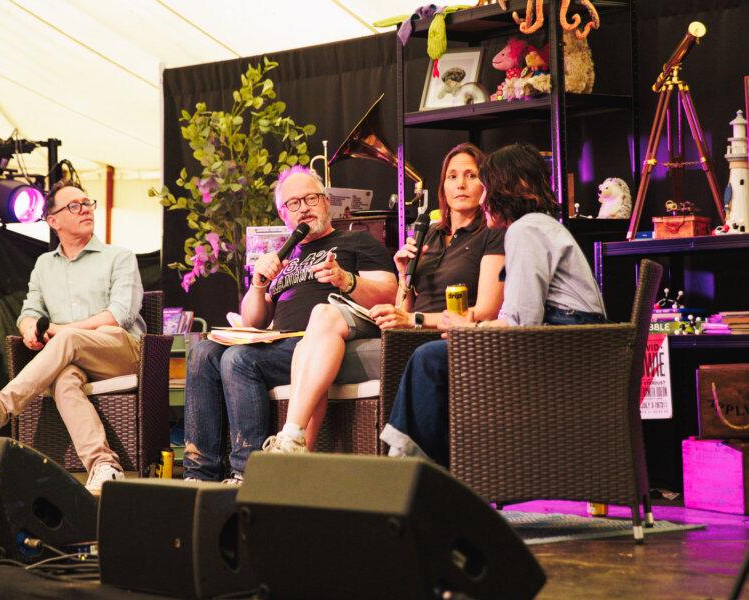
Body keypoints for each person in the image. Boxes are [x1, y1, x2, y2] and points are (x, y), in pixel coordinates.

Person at [266, 143, 505, 454]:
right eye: (452, 176)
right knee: (309, 335)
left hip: (446, 335)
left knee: (318, 327)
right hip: (408, 331)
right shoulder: (430, 234)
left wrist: (413, 319)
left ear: (485, 185)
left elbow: (485, 311)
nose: (460, 184)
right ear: (443, 186)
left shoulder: (491, 233)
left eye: (471, 176)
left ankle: (292, 443)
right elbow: (402, 308)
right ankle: (294, 444)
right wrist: (404, 276)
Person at [380, 142, 608, 466]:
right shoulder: (537, 226)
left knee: (429, 358)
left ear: (508, 190)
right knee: (433, 358)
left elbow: (522, 323)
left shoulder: (525, 231)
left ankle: (421, 470)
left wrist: (472, 328)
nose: (482, 198)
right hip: (567, 341)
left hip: (563, 350)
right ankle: (436, 469)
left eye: (484, 186)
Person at [183, 165, 397, 482]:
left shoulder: (357, 241)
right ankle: (200, 475)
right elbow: (254, 320)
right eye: (293, 203)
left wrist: (345, 279)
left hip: (320, 342)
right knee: (202, 353)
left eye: (310, 198)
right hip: (277, 343)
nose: (303, 208)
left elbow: (390, 293)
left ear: (326, 202)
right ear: (284, 215)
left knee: (239, 359)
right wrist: (259, 284)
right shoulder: (285, 256)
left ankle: (247, 473)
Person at [0, 180, 146, 494]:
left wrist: (57, 331)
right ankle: (105, 467)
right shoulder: (44, 265)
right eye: (75, 205)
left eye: (88, 203)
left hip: (122, 352)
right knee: (63, 380)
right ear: (53, 221)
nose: (86, 209)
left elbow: (119, 316)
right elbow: (29, 312)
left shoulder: (119, 257)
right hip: (73, 358)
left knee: (67, 340)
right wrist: (30, 329)